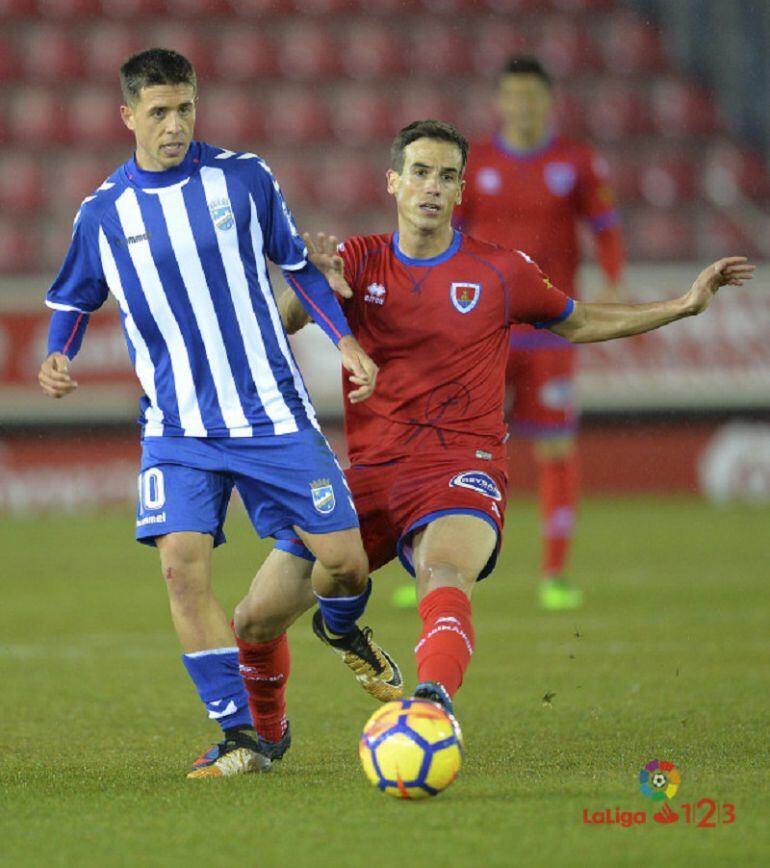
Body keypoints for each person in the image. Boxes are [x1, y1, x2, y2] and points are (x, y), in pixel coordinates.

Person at [233, 119, 753, 730]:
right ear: (393, 181)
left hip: (461, 468)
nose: (432, 187)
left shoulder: (500, 272)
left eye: (446, 177)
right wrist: (314, 283)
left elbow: (578, 321)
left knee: (445, 573)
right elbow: (287, 321)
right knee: (252, 619)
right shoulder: (358, 259)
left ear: (459, 193)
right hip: (370, 473)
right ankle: (267, 736)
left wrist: (683, 306)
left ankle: (431, 704)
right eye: (420, 172)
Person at [37, 48, 402, 780]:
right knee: (181, 571)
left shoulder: (242, 178)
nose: (175, 125)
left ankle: (342, 631)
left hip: (271, 411)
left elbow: (297, 264)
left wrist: (347, 344)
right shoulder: (104, 212)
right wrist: (58, 353)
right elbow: (74, 299)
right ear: (128, 116)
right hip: (177, 429)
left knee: (345, 563)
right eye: (159, 112)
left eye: (186, 109)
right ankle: (243, 736)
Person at [453, 56, 626, 610]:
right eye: (512, 96)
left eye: (531, 96)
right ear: (500, 102)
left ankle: (554, 572)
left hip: (550, 326)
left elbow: (606, 229)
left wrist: (615, 281)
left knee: (554, 445)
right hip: (487, 327)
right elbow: (445, 234)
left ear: (546, 101)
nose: (521, 106)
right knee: (458, 447)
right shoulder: (474, 163)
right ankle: (436, 565)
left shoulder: (575, 161)